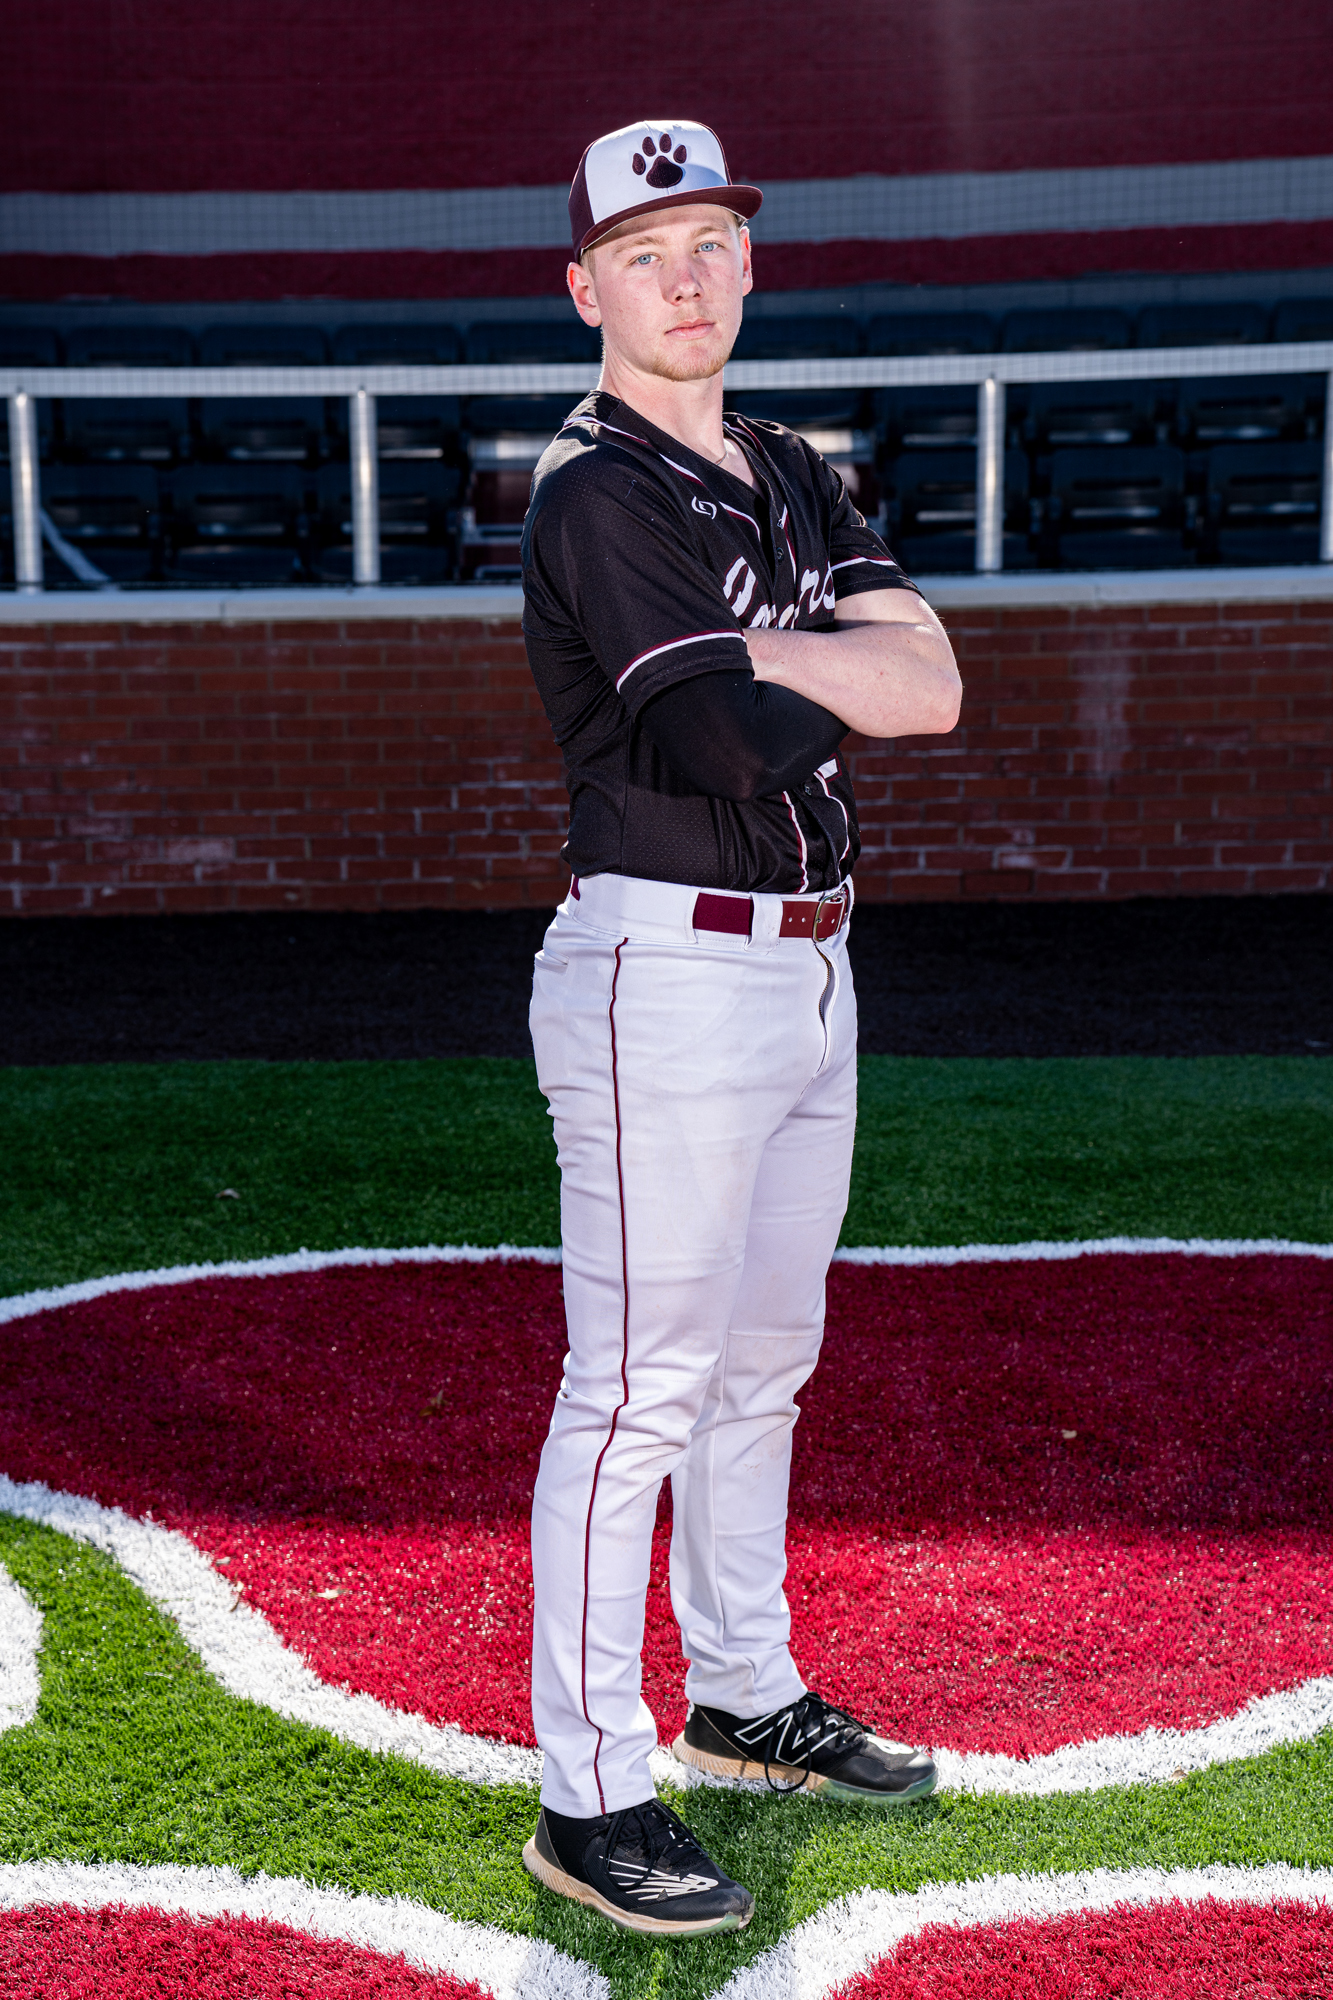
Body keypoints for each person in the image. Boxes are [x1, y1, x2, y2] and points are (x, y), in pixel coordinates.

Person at [518, 119, 962, 1938]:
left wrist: (776, 656)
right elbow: (723, 742)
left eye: (707, 241)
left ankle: (741, 1694)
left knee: (765, 1364)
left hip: (811, 965)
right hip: (664, 975)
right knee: (636, 1391)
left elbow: (935, 686)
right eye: (643, 253)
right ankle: (587, 1795)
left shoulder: (785, 464)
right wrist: (836, 662)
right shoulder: (593, 493)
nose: (683, 277)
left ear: (751, 264)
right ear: (585, 290)